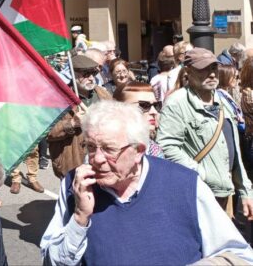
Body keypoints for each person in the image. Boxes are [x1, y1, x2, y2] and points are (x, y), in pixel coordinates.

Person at [40, 100, 253, 265]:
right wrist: (79, 218)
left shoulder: (184, 185)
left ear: (139, 151)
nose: (96, 158)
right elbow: (52, 262)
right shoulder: (74, 185)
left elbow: (239, 255)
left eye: (109, 149)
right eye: (91, 147)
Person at [157, 48, 253, 217]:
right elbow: (167, 146)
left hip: (225, 192)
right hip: (199, 194)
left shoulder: (222, 100)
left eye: (214, 68)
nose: (212, 75)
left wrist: (245, 190)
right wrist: (202, 173)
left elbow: (234, 150)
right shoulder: (177, 103)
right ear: (188, 72)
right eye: (203, 69)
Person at [47, 54, 112, 179]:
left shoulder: (103, 94)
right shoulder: (58, 99)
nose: (91, 78)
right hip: (73, 163)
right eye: (86, 74)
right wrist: (72, 123)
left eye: (93, 73)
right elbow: (48, 132)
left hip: (101, 158)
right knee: (74, 197)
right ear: (73, 74)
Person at [113, 82, 163, 157]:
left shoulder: (155, 150)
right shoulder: (104, 149)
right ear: (120, 108)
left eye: (156, 105)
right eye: (144, 105)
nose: (154, 112)